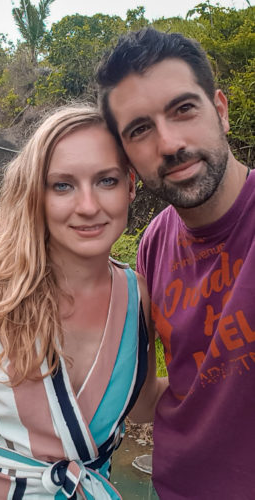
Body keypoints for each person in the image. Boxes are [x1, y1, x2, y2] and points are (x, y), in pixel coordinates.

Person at [0, 106, 166, 499]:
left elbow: (143, 404)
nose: (88, 206)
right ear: (36, 193)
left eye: (106, 180)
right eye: (62, 185)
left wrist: (230, 373)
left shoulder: (140, 295)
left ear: (130, 186)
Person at [97, 27, 254, 499]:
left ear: (221, 111)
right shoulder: (153, 242)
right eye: (140, 129)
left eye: (184, 109)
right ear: (127, 157)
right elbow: (150, 394)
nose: (168, 143)